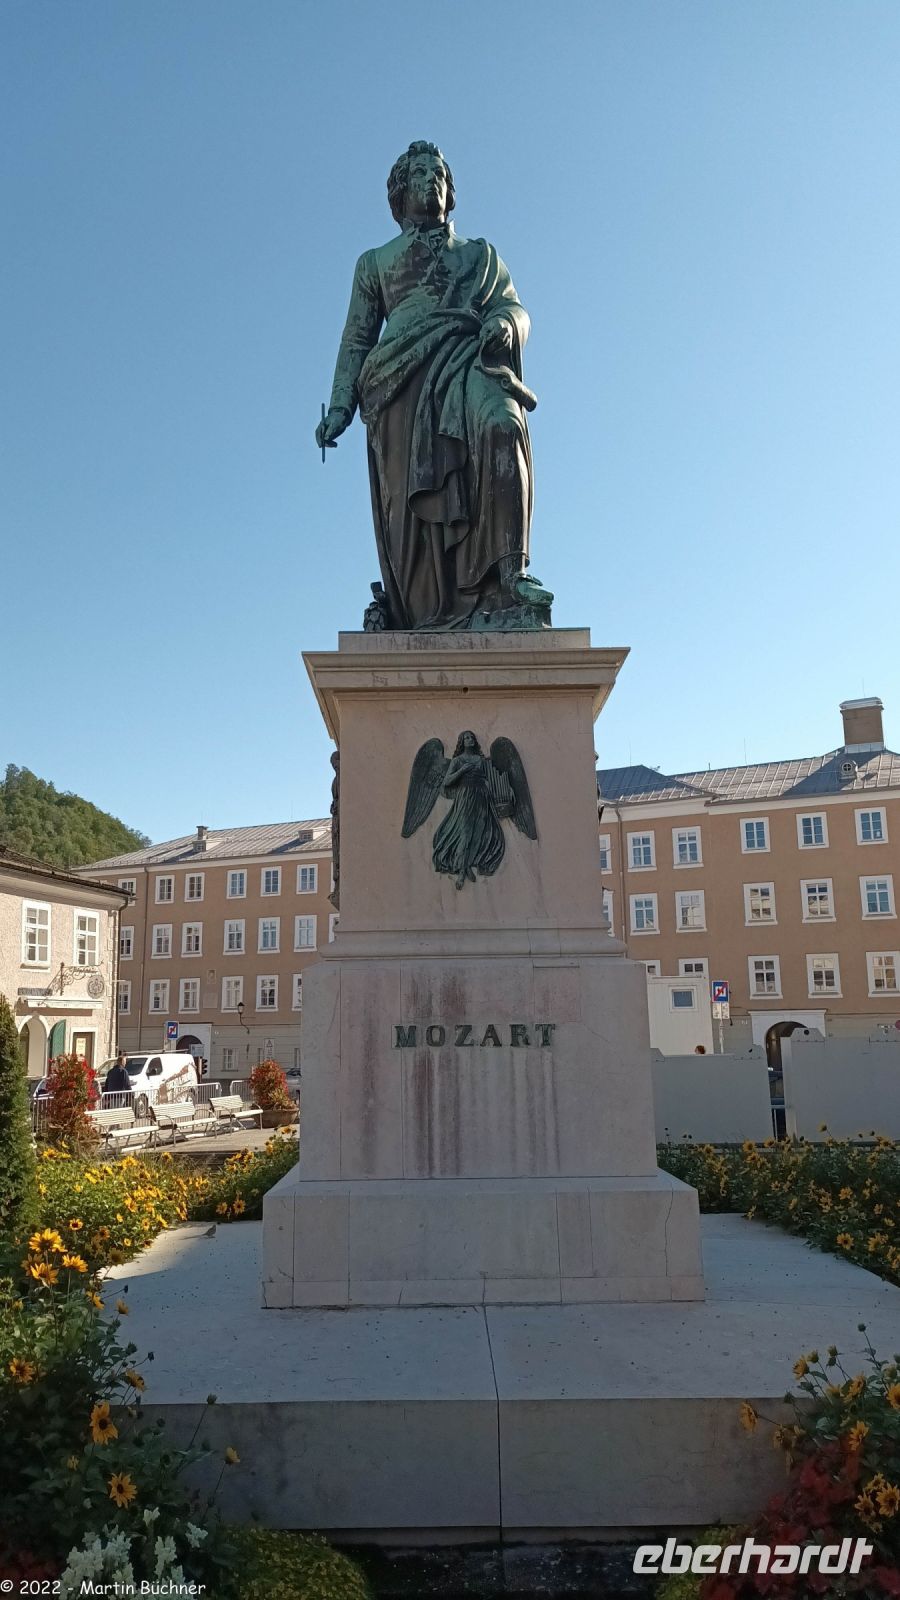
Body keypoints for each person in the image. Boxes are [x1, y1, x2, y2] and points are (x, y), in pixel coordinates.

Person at [316, 141, 552, 631]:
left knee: (504, 427)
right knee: (409, 506)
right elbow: (357, 337)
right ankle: (417, 604)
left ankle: (511, 574)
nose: (432, 182)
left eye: (439, 175)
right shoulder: (375, 263)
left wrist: (507, 325)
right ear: (400, 194)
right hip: (399, 384)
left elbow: (514, 307)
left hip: (471, 362)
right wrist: (340, 405)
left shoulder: (481, 255)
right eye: (420, 174)